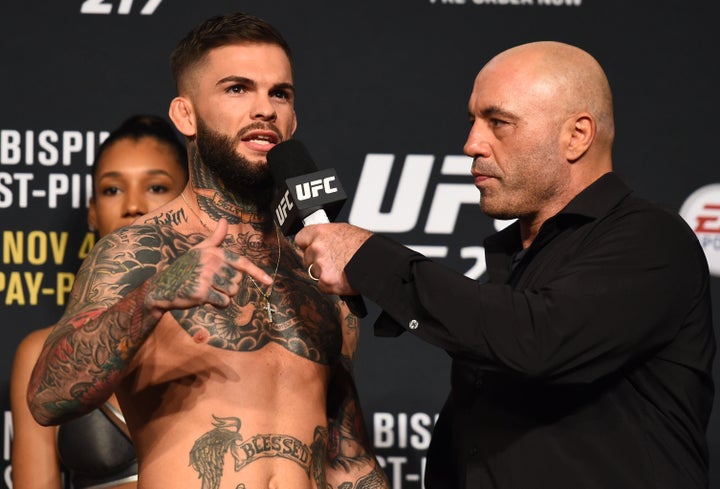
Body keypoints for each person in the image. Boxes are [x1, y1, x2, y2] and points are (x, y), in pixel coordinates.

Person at [294, 41, 716, 489]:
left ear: (577, 136)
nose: (472, 143)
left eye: (499, 123)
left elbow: (537, 340)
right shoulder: (518, 260)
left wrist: (368, 258)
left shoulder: (652, 239)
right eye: (473, 121)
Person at [27, 12, 388, 489]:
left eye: (279, 93)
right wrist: (153, 296)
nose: (265, 109)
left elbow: (348, 458)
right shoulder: (142, 251)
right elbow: (49, 398)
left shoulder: (316, 266)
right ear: (186, 114)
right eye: (237, 89)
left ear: (294, 117)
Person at [11, 114, 189, 489]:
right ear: (92, 212)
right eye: (112, 190)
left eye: (156, 187)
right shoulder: (42, 353)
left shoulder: (235, 333)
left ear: (189, 202)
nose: (134, 207)